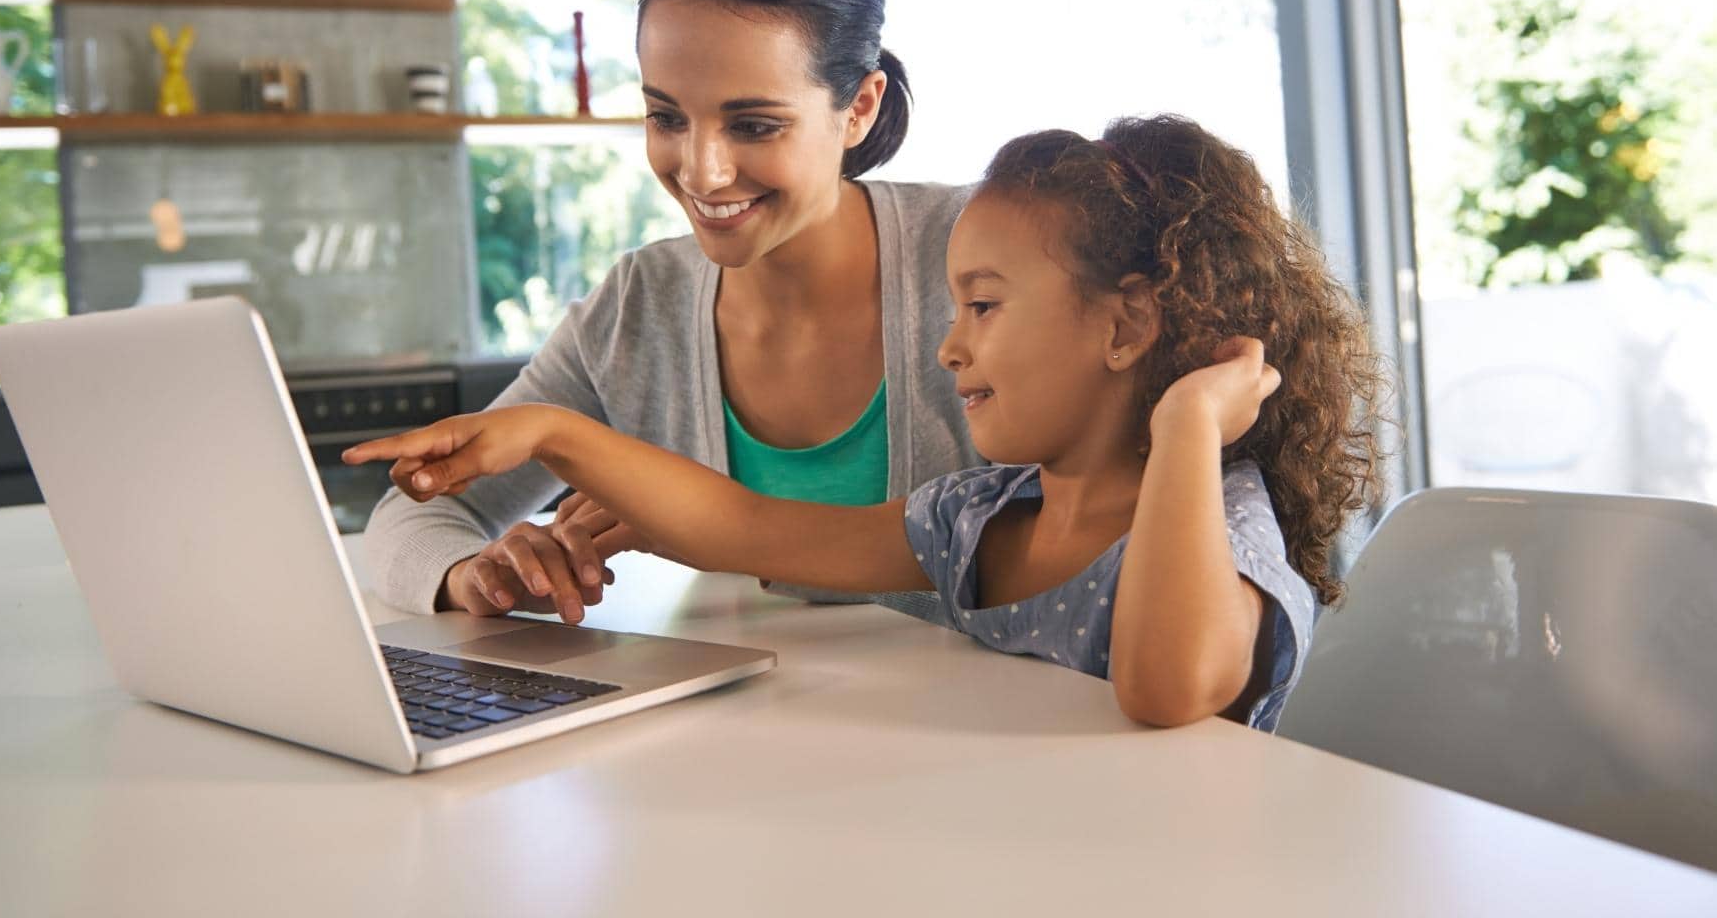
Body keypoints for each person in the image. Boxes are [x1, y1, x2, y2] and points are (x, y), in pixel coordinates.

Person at [347, 115, 1391, 731]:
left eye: (981, 307)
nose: (948, 348)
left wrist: (1188, 433)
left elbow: (1166, 691)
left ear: (1125, 324)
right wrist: (551, 435)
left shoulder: (1221, 532)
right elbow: (749, 528)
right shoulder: (979, 518)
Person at [362, 0, 981, 621]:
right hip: (745, 720)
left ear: (860, 108)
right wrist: (473, 573)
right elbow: (414, 512)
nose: (702, 171)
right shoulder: (639, 305)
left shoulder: (981, 257)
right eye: (667, 117)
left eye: (753, 125)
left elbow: (1075, 527)